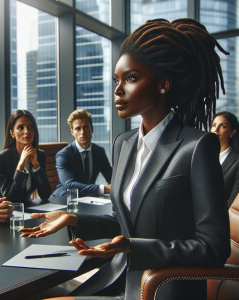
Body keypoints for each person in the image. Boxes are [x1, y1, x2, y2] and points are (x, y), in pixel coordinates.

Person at [19, 19, 231, 300]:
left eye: (131, 78)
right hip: (118, 280)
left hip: (160, 289)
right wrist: (72, 218)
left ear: (163, 85)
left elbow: (214, 248)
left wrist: (134, 247)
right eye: (116, 80)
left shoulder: (198, 147)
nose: (118, 90)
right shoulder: (124, 144)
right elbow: (124, 221)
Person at [49, 109, 112, 203]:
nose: (82, 132)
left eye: (86, 127)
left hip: (88, 201)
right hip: (62, 201)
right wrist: (104, 189)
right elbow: (69, 185)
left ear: (92, 128)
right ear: (72, 132)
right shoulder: (63, 155)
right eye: (78, 128)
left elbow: (112, 178)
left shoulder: (99, 152)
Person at [0, 110, 52, 206]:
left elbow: (46, 195)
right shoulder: (0, 159)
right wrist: (20, 166)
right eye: (20, 128)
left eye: (30, 127)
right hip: (8, 212)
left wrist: (36, 166)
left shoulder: (39, 155)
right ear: (12, 134)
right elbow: (10, 200)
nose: (26, 131)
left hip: (29, 209)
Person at [211, 111, 239, 207]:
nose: (216, 129)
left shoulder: (237, 162)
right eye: (214, 125)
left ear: (232, 132)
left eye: (222, 126)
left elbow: (233, 199)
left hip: (220, 216)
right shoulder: (202, 155)